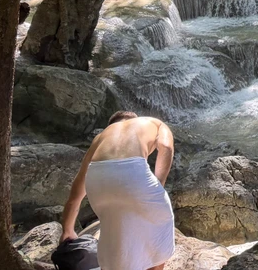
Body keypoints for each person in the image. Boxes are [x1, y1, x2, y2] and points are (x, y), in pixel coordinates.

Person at [60, 111, 175, 270]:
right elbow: (166, 146)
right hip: (133, 172)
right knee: (159, 226)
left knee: (114, 233)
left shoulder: (101, 137)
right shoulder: (154, 122)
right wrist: (158, 185)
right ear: (133, 119)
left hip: (97, 180)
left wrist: (67, 230)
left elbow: (76, 194)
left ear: (112, 125)